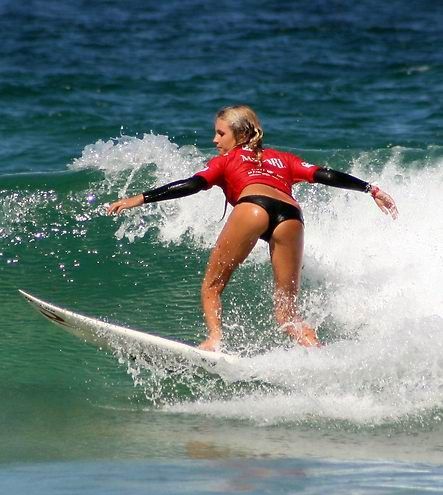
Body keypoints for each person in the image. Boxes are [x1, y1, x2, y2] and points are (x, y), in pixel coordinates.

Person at [107, 105, 398, 351]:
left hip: (252, 207)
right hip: (291, 216)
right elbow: (325, 174)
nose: (215, 139)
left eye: (221, 133)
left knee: (212, 287)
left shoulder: (226, 159)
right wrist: (370, 189)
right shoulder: (284, 159)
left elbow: (193, 184)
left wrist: (140, 198)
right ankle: (316, 351)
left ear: (241, 135)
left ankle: (214, 340)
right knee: (286, 313)